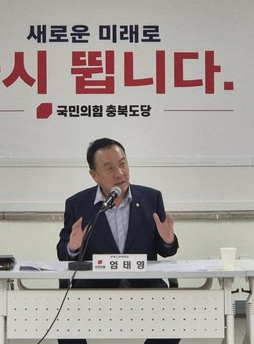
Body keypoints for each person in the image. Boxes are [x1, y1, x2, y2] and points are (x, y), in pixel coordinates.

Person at [56, 137, 179, 344]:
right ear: (94, 175)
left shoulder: (151, 198)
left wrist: (168, 240)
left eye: (123, 164)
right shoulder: (78, 204)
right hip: (94, 287)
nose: (120, 173)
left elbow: (166, 250)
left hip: (145, 285)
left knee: (176, 319)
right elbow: (63, 252)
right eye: (109, 168)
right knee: (66, 321)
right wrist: (73, 247)